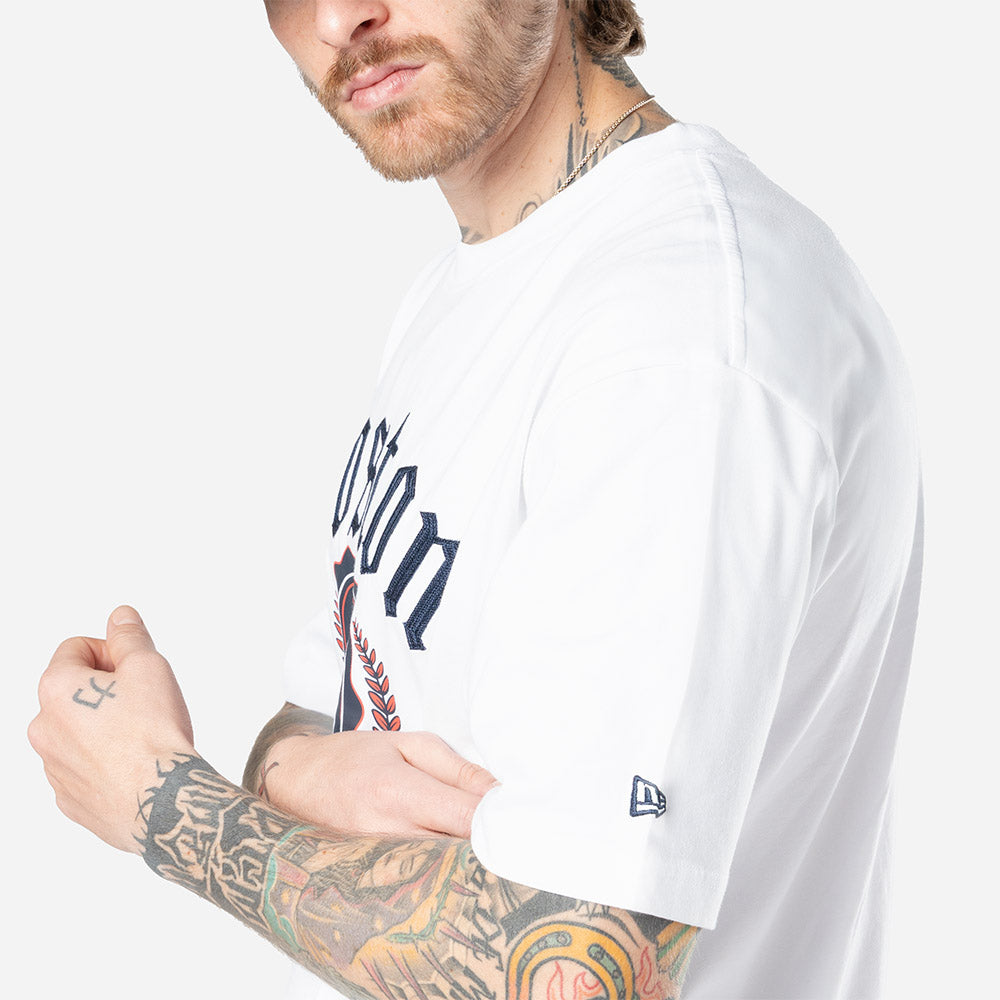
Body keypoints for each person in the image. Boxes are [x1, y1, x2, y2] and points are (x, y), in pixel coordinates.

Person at [28, 2, 924, 998]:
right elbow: (322, 713)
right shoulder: (486, 279)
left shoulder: (677, 335)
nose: (339, 18)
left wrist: (161, 802)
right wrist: (295, 772)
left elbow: (574, 966)